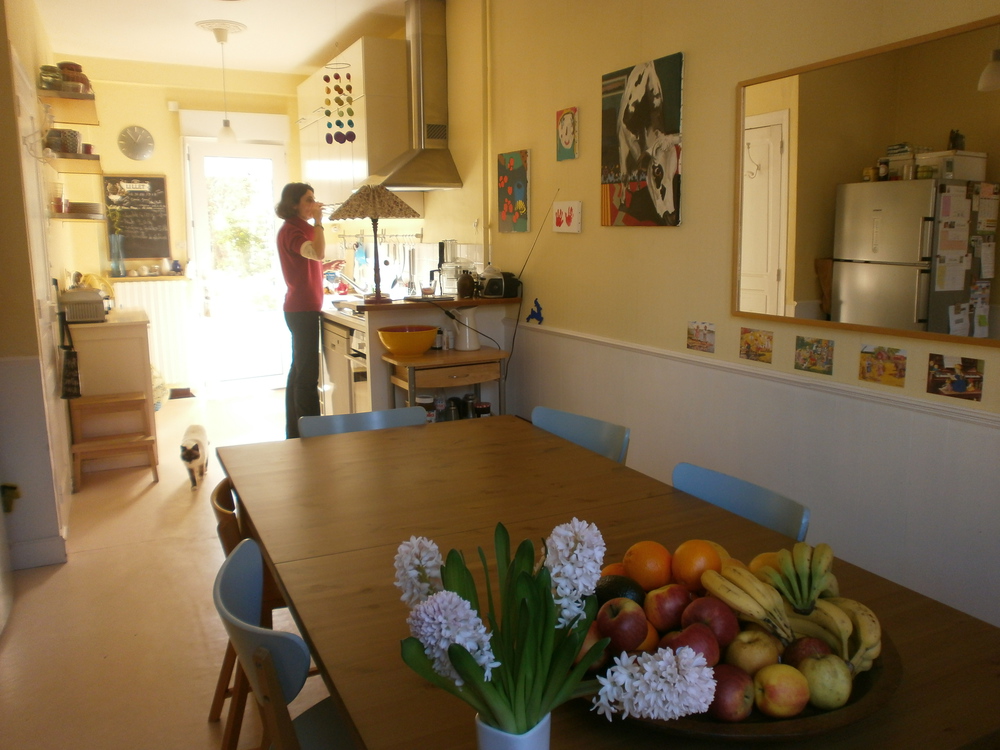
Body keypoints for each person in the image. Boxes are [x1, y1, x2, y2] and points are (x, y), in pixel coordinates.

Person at [275, 182, 330, 438]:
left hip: (300, 307)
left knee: (299, 370)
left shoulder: (298, 229)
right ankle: (311, 435)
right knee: (307, 377)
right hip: (302, 310)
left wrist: (324, 268)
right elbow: (317, 253)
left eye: (313, 199)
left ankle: (294, 432)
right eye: (308, 200)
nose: (313, 204)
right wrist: (320, 221)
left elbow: (308, 261)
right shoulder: (293, 230)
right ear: (294, 204)